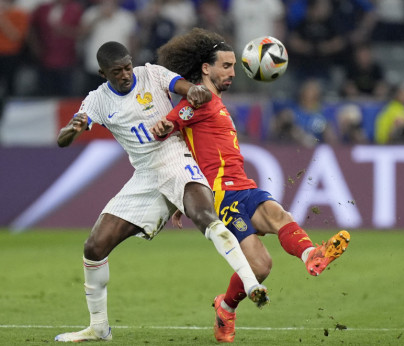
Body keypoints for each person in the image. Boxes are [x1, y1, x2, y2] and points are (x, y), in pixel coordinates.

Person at [53, 41, 267, 343]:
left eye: (128, 66)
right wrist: (72, 129)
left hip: (177, 159)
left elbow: (185, 88)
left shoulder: (151, 74)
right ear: (103, 73)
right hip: (145, 177)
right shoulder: (97, 101)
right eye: (118, 71)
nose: (127, 74)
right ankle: (99, 327)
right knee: (94, 247)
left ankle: (250, 283)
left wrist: (192, 91)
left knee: (205, 216)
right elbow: (63, 139)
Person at [151, 28, 351, 343]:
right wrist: (163, 127)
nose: (233, 72)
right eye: (226, 66)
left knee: (279, 215)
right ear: (206, 68)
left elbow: (190, 147)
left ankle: (312, 254)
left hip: (244, 186)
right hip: (223, 196)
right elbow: (167, 129)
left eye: (234, 66)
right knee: (260, 266)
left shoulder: (214, 101)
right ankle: (226, 307)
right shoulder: (197, 101)